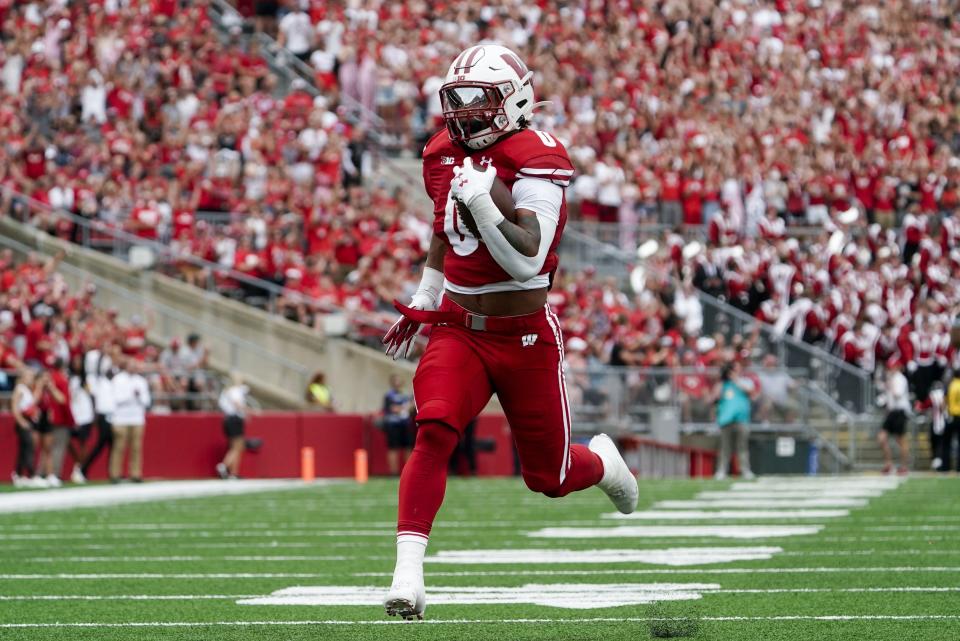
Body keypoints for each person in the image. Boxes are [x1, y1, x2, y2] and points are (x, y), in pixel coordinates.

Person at [380, 44, 638, 621]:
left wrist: (485, 204)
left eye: (481, 101)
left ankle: (603, 465)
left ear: (515, 101)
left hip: (523, 333)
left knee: (550, 476)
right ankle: (407, 575)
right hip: (461, 326)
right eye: (460, 101)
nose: (466, 115)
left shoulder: (537, 156)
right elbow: (444, 228)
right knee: (434, 428)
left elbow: (527, 259)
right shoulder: (443, 154)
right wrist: (425, 297)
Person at [712, 360, 758, 480]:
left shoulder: (746, 381)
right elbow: (715, 396)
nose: (734, 371)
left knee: (742, 447)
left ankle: (745, 470)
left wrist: (736, 379)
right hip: (725, 419)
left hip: (741, 418)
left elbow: (751, 392)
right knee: (724, 448)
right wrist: (722, 379)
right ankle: (721, 470)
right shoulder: (723, 384)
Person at [109, 358, 152, 483]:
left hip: (137, 418)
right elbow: (117, 398)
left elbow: (146, 401)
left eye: (135, 366)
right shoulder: (118, 379)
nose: (133, 368)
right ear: (126, 366)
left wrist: (138, 396)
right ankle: (115, 474)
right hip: (120, 418)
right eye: (131, 365)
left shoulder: (141, 381)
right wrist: (131, 395)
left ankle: (136, 474)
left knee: (136, 447)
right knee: (119, 447)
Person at [81, 347, 116, 479]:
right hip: (102, 414)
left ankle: (112, 472)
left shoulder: (110, 382)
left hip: (111, 415)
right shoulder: (98, 382)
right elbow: (93, 396)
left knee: (111, 444)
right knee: (101, 444)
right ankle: (84, 468)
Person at [10, 368, 42, 488]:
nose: (31, 379)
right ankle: (31, 474)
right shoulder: (19, 389)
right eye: (29, 376)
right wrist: (21, 421)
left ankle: (18, 474)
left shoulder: (27, 390)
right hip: (23, 421)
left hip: (28, 420)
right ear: (23, 377)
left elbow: (32, 402)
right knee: (28, 447)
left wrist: (39, 387)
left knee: (24, 449)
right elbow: (14, 407)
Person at [879, 359, 911, 475]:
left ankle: (904, 466)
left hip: (900, 411)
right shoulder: (891, 378)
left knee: (901, 439)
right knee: (882, 437)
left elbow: (897, 394)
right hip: (892, 412)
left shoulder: (900, 379)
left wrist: (889, 385)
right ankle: (889, 464)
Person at [68, 355, 95, 484]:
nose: (76, 365)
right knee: (68, 441)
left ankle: (81, 469)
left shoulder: (87, 379)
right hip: (73, 415)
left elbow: (92, 395)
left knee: (83, 443)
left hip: (85, 415)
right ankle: (78, 464)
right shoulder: (70, 379)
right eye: (75, 362)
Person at [216, 375, 250, 480]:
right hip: (234, 419)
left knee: (236, 447)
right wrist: (247, 411)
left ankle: (234, 473)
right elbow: (237, 404)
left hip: (229, 419)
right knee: (238, 446)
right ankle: (223, 466)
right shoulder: (235, 390)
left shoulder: (227, 391)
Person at [382, 374, 414, 476]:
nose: (397, 382)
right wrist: (404, 408)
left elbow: (412, 407)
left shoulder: (406, 394)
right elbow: (391, 408)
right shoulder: (389, 395)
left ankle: (408, 471)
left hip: (405, 424)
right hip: (393, 424)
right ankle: (393, 472)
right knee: (393, 448)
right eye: (395, 380)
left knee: (408, 447)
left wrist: (408, 407)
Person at [943, 370, 960, 473]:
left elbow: (943, 401)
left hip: (951, 416)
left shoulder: (950, 385)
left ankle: (946, 466)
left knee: (946, 443)